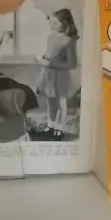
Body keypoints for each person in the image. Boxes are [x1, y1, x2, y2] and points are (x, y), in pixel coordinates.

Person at [37, 9, 79, 139]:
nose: (52, 25)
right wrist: (43, 58)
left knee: (61, 103)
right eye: (51, 22)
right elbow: (50, 54)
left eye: (55, 23)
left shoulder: (68, 41)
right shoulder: (51, 37)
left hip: (61, 76)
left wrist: (50, 63)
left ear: (64, 23)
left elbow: (72, 64)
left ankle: (59, 129)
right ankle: (50, 126)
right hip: (49, 75)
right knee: (50, 102)